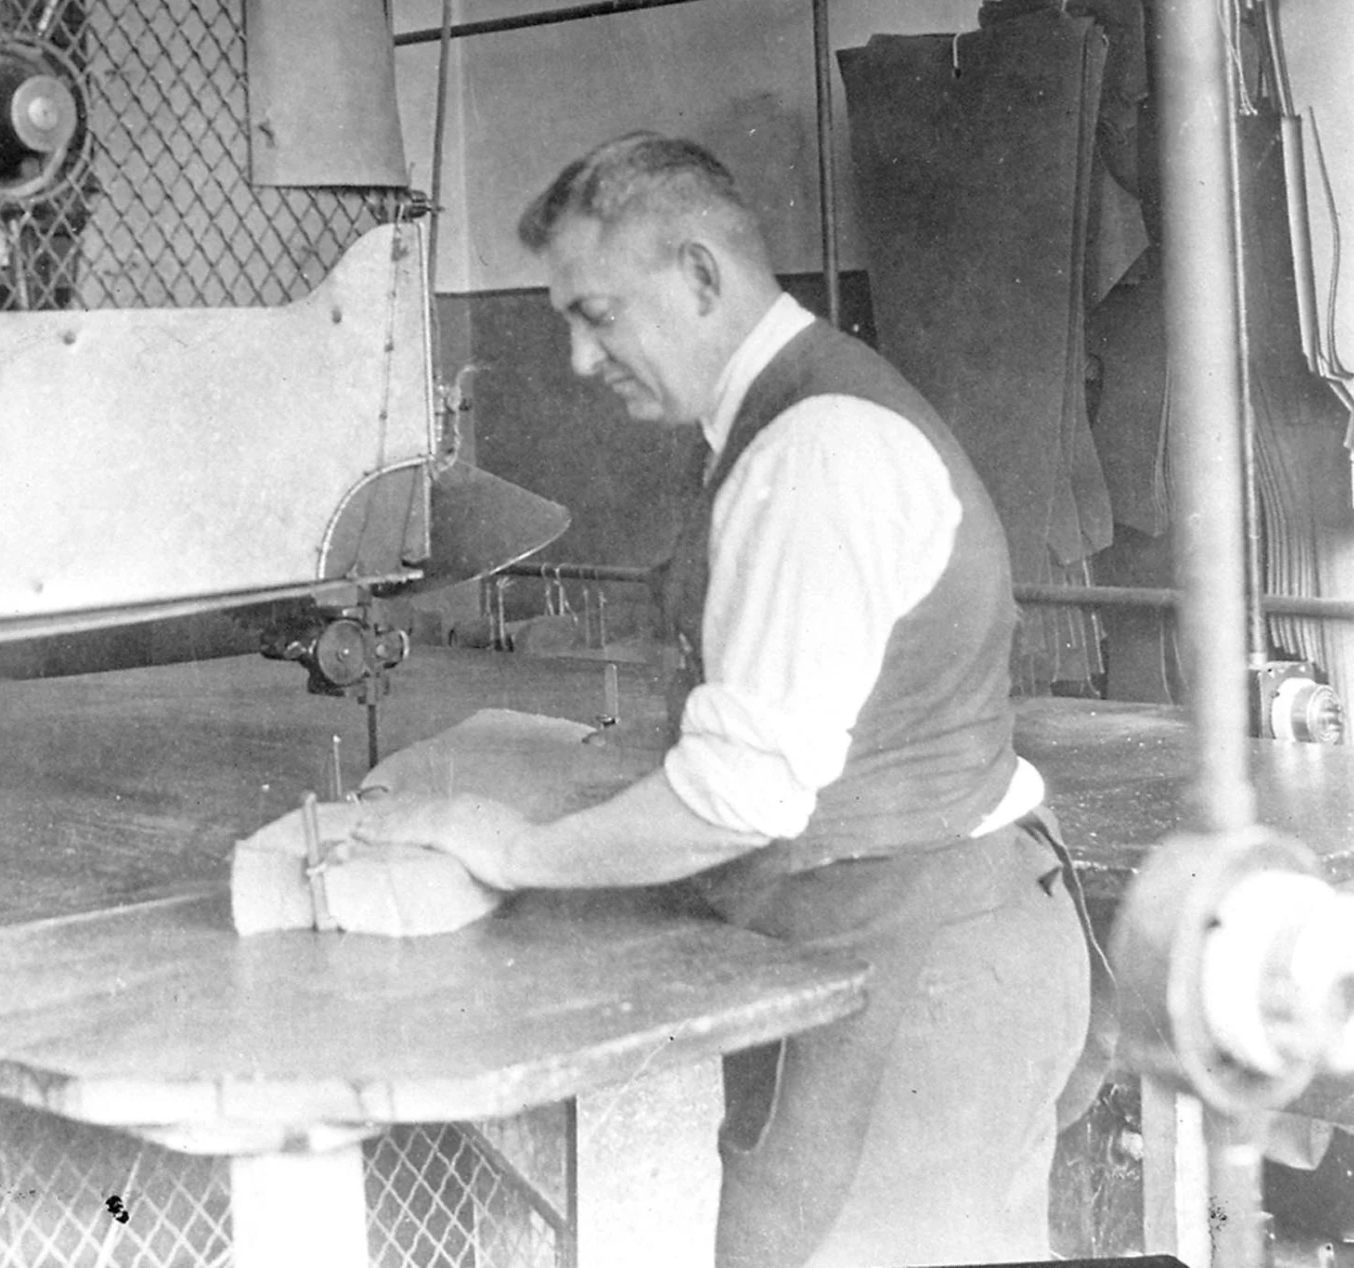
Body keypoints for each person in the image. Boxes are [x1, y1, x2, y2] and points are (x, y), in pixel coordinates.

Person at [355, 133, 1094, 1268]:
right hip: (929, 945)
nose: (576, 357)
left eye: (596, 313)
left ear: (701, 275)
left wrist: (507, 846)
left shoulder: (813, 453)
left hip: (910, 979)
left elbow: (738, 796)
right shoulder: (790, 418)